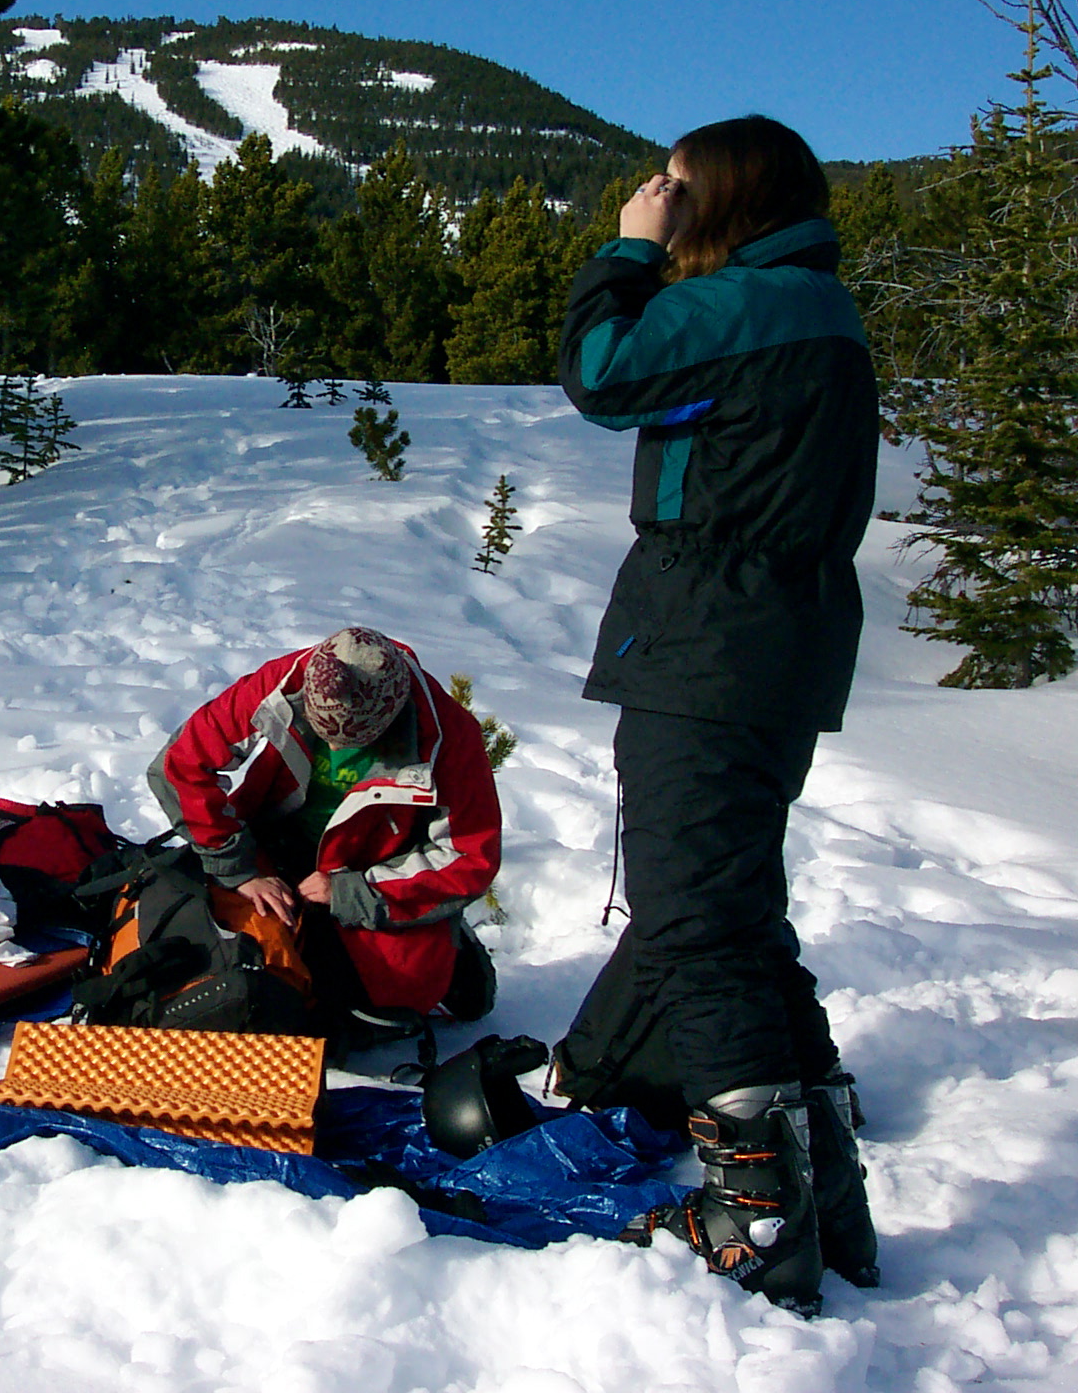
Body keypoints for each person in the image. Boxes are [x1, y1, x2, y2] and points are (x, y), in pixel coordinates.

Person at [557, 115, 880, 1310]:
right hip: (776, 646)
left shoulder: (755, 300)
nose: (662, 196)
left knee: (696, 928)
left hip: (712, 645)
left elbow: (602, 370)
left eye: (678, 184)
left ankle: (757, 1216)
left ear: (724, 194)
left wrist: (630, 249)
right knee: (735, 915)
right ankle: (827, 1198)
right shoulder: (816, 307)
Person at [146, 626, 501, 1031]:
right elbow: (181, 764)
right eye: (323, 735)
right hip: (271, 845)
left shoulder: (448, 737)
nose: (334, 752)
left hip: (371, 867)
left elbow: (471, 856)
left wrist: (354, 891)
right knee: (240, 964)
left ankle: (447, 943)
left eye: (356, 742)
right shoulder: (287, 682)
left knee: (398, 993)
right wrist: (237, 868)